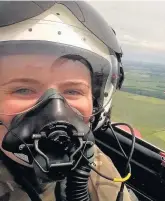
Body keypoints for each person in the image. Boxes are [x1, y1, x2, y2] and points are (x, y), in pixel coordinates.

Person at [0, 1, 136, 201]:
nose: (56, 110)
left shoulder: (94, 164)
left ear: (99, 104)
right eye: (23, 90)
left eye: (73, 91)